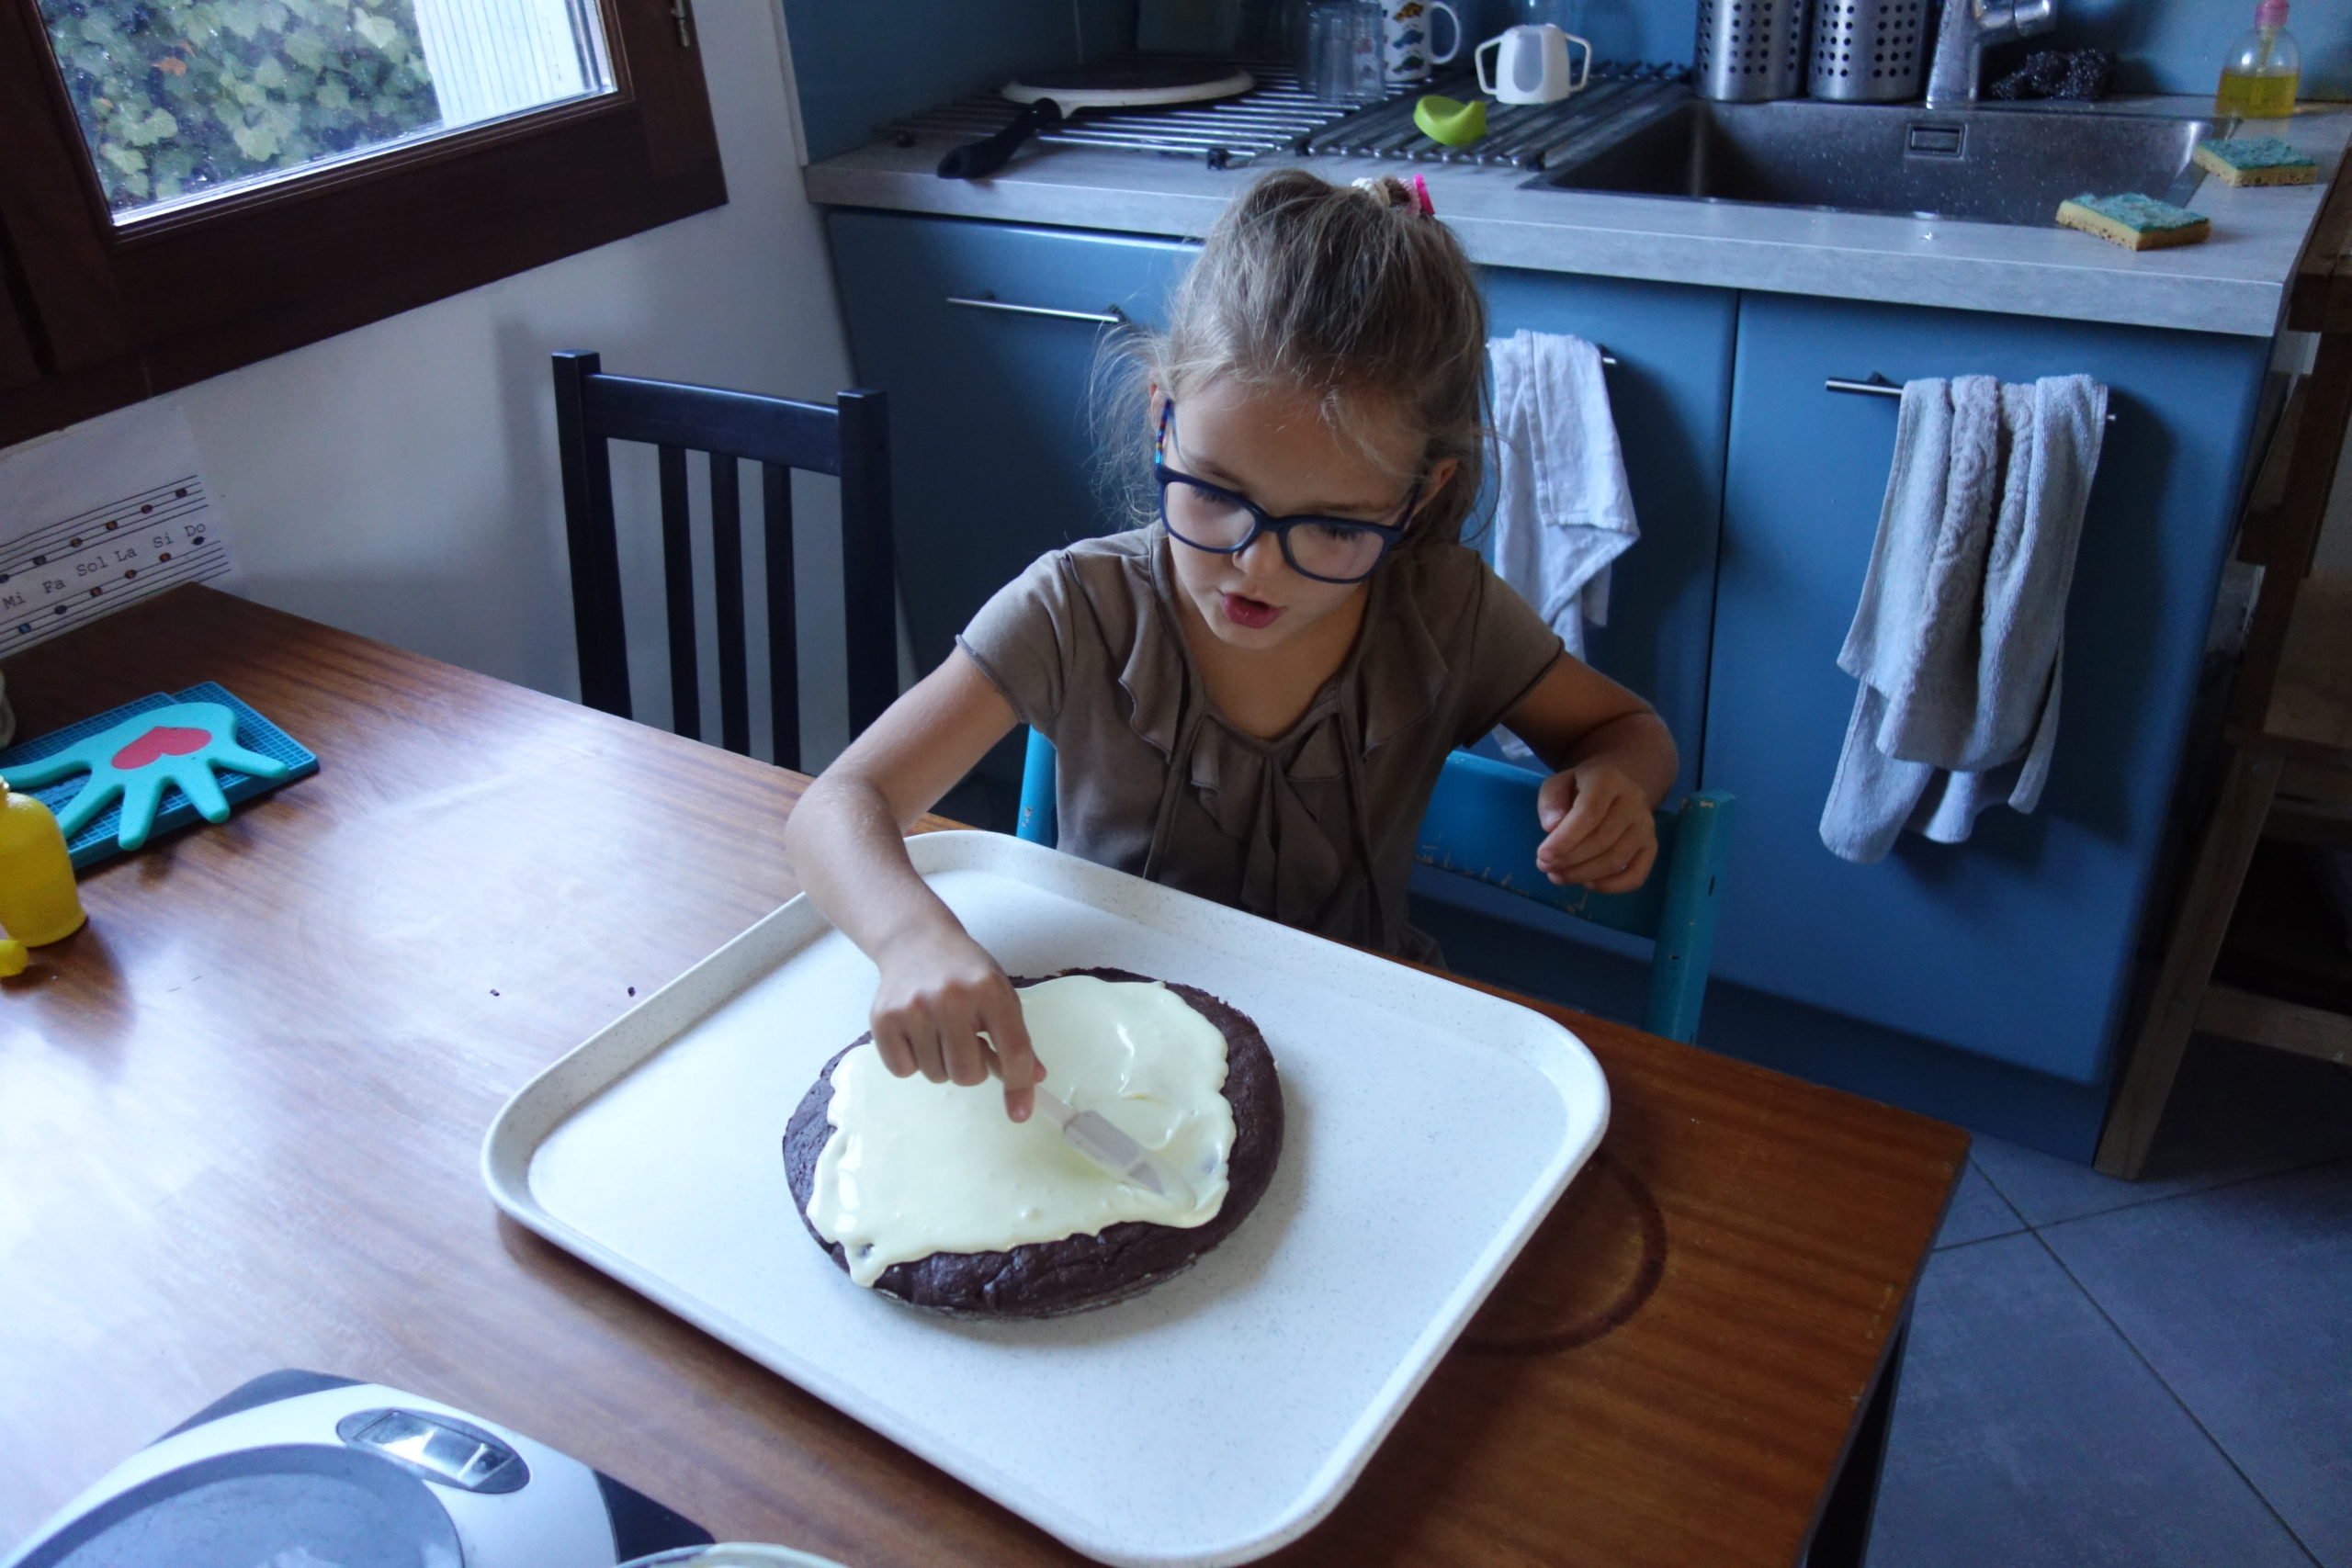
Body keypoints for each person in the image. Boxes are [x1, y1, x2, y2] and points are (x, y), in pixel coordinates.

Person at [785, 169, 1678, 1122]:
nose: (1256, 566)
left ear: (1419, 498)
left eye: (1332, 526)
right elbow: (838, 804)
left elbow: (1627, 730)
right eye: (1215, 493)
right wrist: (910, 937)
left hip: (1353, 1057)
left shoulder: (1446, 611)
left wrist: (1618, 782)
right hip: (1110, 1066)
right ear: (1162, 415)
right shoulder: (1076, 606)